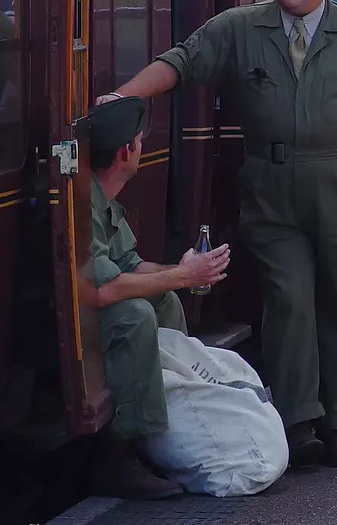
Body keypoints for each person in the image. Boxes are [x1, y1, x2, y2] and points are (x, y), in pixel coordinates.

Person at [102, 0, 337, 469]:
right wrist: (122, 98)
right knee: (289, 299)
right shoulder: (239, 29)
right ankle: (297, 423)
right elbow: (179, 62)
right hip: (271, 188)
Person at [85, 96, 232, 499]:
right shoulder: (83, 204)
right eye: (139, 140)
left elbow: (129, 266)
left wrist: (179, 274)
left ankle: (176, 418)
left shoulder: (102, 197)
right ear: (125, 152)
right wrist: (183, 275)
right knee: (134, 315)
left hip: (93, 310)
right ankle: (120, 455)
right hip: (74, 325)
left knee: (164, 300)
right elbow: (101, 289)